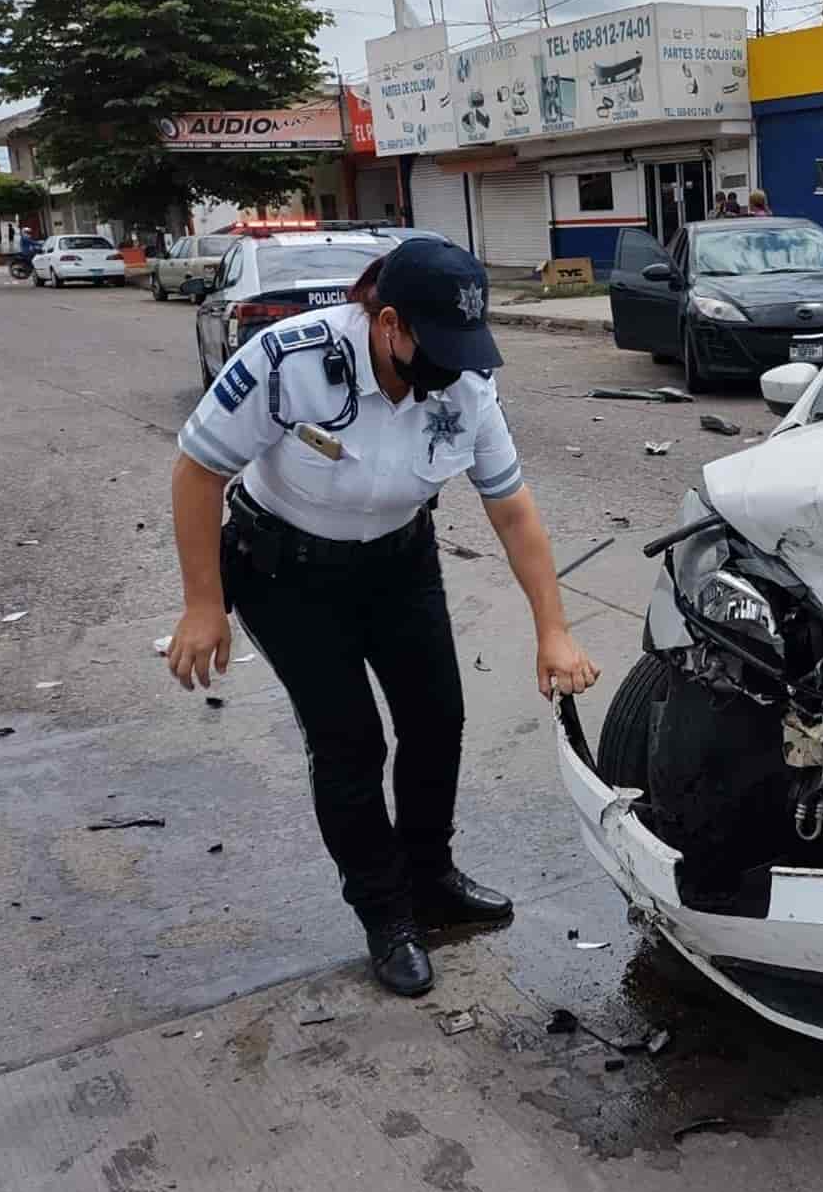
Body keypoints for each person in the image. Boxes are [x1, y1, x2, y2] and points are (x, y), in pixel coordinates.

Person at [165, 238, 601, 997]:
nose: (454, 367)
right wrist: (205, 604)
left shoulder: (466, 383)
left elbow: (513, 510)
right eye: (437, 347)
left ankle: (430, 877)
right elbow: (198, 470)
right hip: (284, 572)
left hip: (398, 561)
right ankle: (384, 911)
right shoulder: (289, 360)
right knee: (350, 743)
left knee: (437, 721)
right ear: (389, 324)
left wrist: (553, 629)